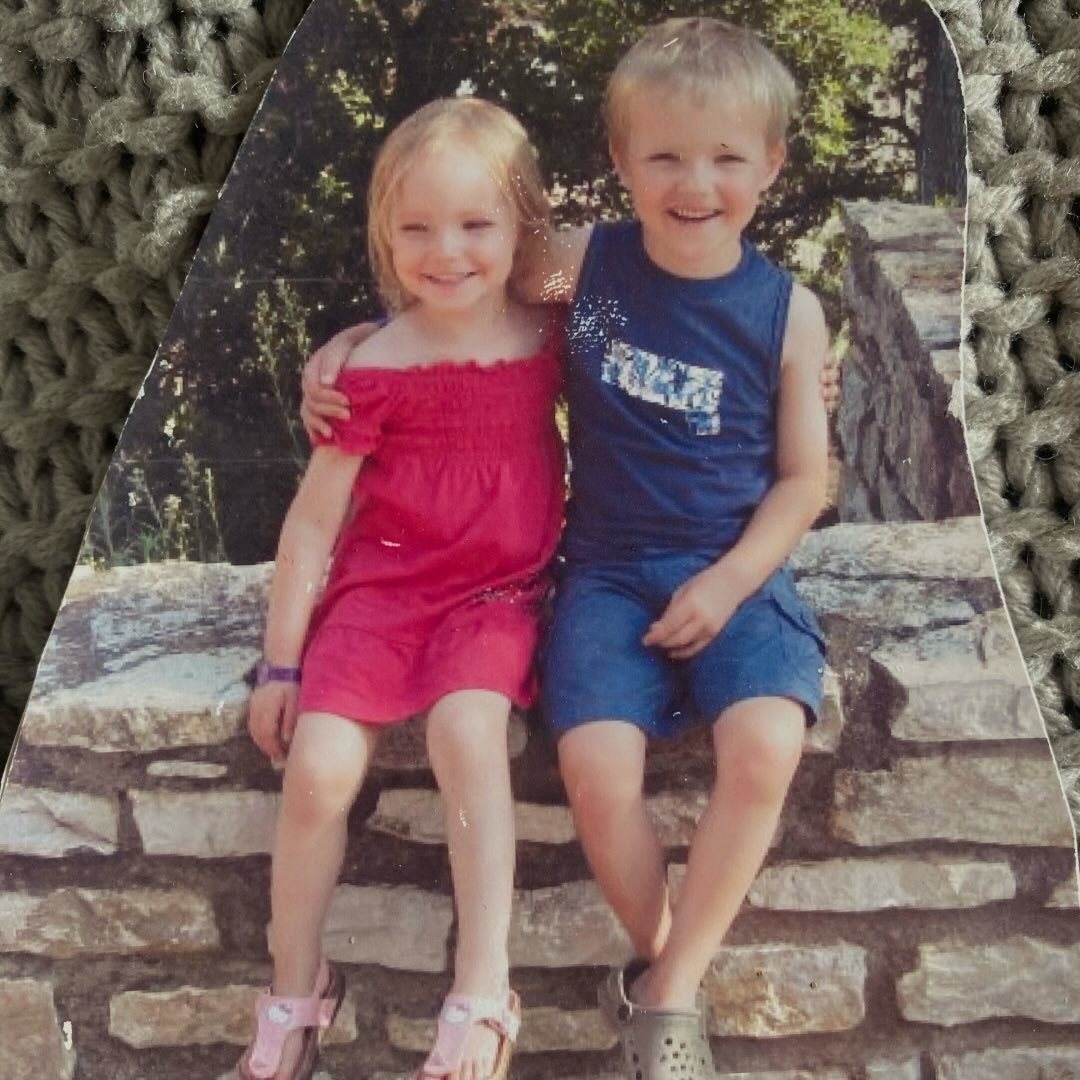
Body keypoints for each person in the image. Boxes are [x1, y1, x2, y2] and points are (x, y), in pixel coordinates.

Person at [303, 18, 830, 1080]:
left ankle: (667, 997)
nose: (696, 184)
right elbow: (462, 290)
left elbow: (805, 481)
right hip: (604, 569)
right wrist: (351, 343)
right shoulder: (590, 271)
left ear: (772, 165)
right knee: (594, 766)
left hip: (734, 562)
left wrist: (731, 583)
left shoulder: (787, 313)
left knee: (768, 741)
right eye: (665, 156)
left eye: (727, 158)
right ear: (621, 159)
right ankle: (664, 961)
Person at [240, 97, 564, 1080]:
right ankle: (296, 991)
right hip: (380, 593)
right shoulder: (373, 368)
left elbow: (660, 303)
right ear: (385, 232)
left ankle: (482, 990)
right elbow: (312, 523)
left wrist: (798, 376)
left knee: (467, 730)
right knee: (318, 769)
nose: (446, 251)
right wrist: (281, 662)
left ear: (521, 223)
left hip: (497, 594)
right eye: (416, 227)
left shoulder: (552, 333)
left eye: (475, 224)